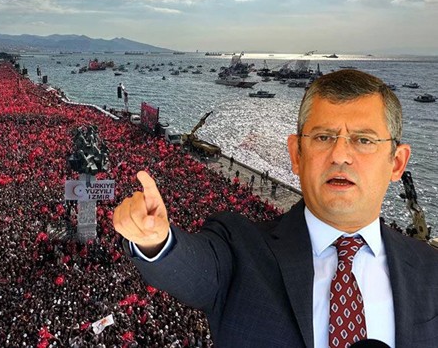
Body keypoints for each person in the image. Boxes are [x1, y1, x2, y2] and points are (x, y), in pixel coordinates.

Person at [113, 69, 438, 348]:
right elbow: (192, 269)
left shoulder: (431, 270)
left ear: (397, 163)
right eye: (324, 137)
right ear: (296, 155)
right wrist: (156, 240)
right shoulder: (241, 248)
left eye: (364, 140)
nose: (341, 155)